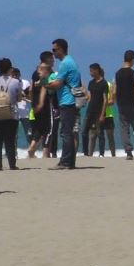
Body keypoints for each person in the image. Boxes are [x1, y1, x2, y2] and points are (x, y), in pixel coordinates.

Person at [47, 38, 82, 169]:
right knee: (69, 132)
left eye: (54, 50)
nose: (53, 53)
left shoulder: (65, 63)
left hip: (67, 101)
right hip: (70, 101)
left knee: (66, 133)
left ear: (61, 49)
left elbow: (57, 83)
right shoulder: (70, 62)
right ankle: (70, 161)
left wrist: (44, 83)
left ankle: (65, 161)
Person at [0, 57, 22, 170]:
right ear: (10, 69)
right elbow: (18, 98)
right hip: (11, 113)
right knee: (10, 140)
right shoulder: (16, 82)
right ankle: (12, 165)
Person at [81, 63, 109, 157]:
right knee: (84, 133)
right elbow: (89, 97)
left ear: (97, 70)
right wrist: (84, 92)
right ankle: (85, 153)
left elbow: (105, 100)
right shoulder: (91, 83)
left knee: (100, 133)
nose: (90, 73)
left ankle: (101, 154)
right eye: (90, 71)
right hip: (90, 111)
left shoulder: (104, 83)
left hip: (99, 111)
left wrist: (102, 114)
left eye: (92, 71)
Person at [27, 62, 52, 158]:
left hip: (34, 105)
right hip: (44, 106)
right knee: (47, 130)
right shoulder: (44, 78)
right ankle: (45, 154)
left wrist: (33, 103)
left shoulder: (34, 76)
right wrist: (41, 103)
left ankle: (32, 147)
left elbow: (30, 90)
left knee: (38, 129)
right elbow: (44, 90)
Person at [11, 67, 31, 150]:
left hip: (24, 112)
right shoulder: (10, 84)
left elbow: (30, 95)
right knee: (13, 134)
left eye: (17, 75)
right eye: (13, 75)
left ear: (19, 75)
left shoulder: (25, 83)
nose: (15, 76)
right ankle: (13, 152)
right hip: (14, 111)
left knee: (29, 133)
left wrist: (24, 95)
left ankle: (31, 150)